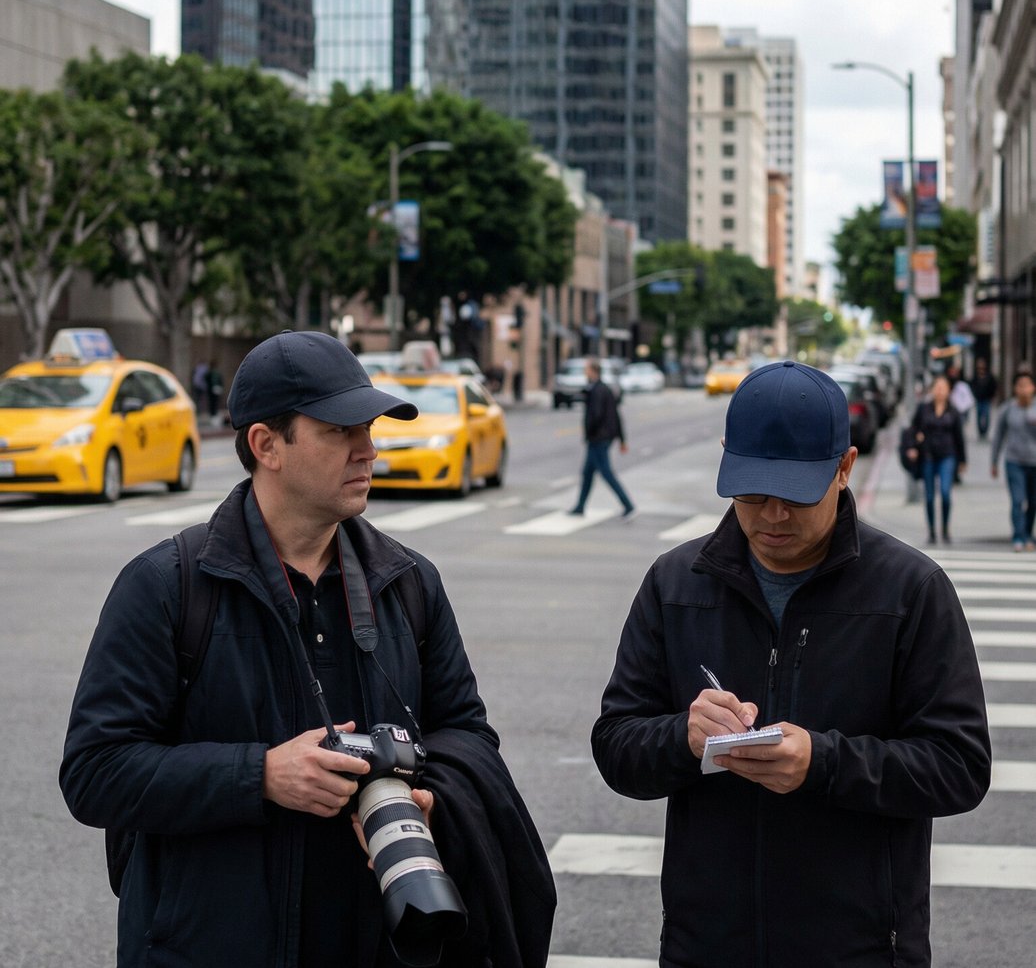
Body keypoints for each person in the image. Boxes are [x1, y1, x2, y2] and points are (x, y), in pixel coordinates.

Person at [60, 330, 555, 968]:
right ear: (266, 445)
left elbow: (467, 734)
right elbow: (95, 772)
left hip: (373, 942)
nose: (367, 449)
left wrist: (428, 798)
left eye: (368, 428)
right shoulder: (166, 586)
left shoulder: (409, 582)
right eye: (340, 431)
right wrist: (261, 776)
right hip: (209, 947)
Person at [591, 360, 991, 968]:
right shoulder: (675, 584)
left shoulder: (911, 590)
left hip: (860, 949)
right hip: (707, 945)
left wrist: (823, 762)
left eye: (797, 495)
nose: (773, 515)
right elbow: (616, 745)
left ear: (845, 468)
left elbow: (960, 765)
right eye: (752, 493)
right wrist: (684, 738)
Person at [569, 357, 635, 519]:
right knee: (587, 473)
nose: (584, 372)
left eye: (586, 369)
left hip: (598, 439)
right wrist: (622, 439)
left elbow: (596, 416)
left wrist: (590, 432)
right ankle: (580, 506)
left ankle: (628, 505)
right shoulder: (602, 389)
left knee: (606, 473)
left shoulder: (598, 391)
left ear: (593, 371)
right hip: (600, 438)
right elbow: (616, 416)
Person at [907, 373, 967, 544]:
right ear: (932, 390)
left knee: (946, 493)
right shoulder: (923, 408)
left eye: (943, 387)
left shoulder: (953, 411)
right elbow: (913, 428)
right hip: (928, 455)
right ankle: (932, 531)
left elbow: (959, 436)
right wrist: (913, 445)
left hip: (948, 455)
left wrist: (962, 460)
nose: (940, 391)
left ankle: (945, 528)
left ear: (948, 391)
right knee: (929, 496)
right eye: (937, 387)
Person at [990, 368, 1036, 552]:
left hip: (1034, 462)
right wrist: (994, 461)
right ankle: (1018, 535)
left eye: (1027, 385)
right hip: (1014, 461)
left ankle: (1027, 534)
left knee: (1033, 501)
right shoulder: (1007, 409)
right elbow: (998, 436)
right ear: (1015, 388)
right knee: (1017, 500)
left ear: (1033, 387)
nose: (1023, 389)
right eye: (1020, 385)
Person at [969, 357, 999, 440]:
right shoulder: (975, 376)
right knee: (978, 416)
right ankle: (980, 432)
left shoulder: (989, 376)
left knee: (986, 415)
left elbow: (994, 386)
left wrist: (992, 396)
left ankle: (985, 431)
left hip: (986, 399)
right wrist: (974, 394)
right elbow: (972, 385)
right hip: (978, 399)